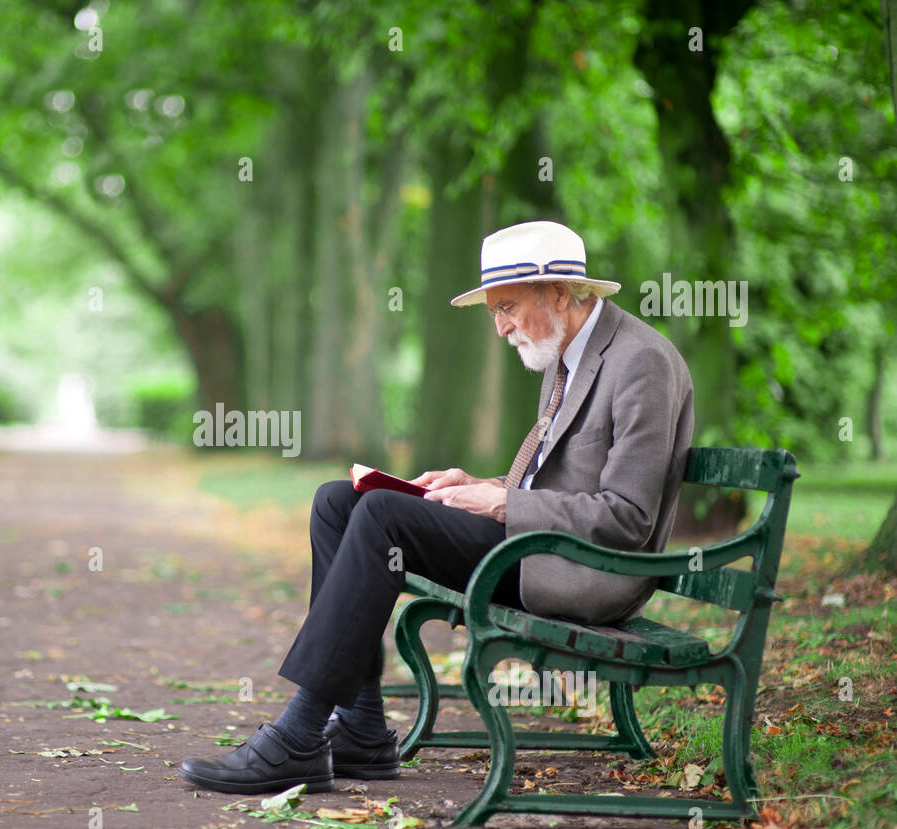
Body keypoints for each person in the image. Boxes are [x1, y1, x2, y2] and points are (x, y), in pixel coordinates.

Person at [177, 220, 694, 795]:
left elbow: (626, 517)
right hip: (535, 545)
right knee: (341, 502)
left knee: (381, 518)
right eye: (494, 312)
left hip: (586, 570)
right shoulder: (564, 354)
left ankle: (298, 734)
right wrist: (480, 483)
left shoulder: (641, 361)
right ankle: (362, 729)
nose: (500, 328)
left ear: (558, 292)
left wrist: (503, 503)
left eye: (508, 307)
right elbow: (559, 478)